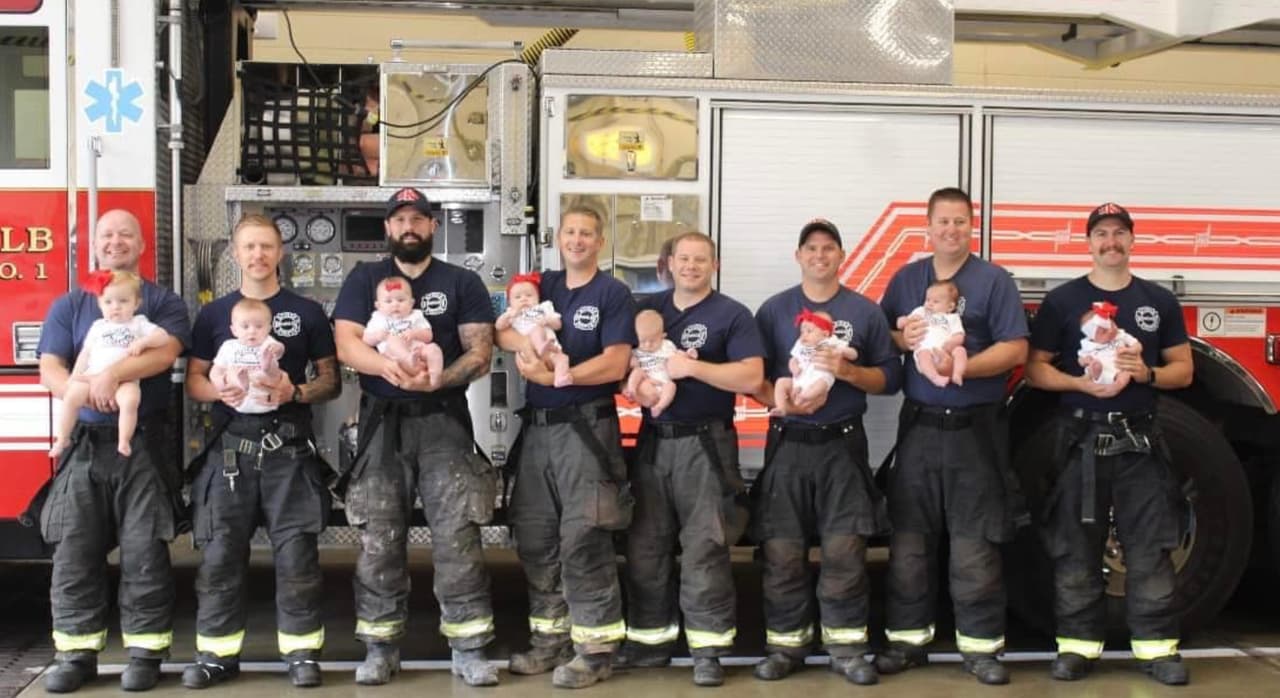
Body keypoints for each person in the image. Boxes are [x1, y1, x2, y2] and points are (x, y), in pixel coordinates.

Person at [332, 187, 499, 686]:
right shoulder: (364, 281)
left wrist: (438, 378)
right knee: (378, 538)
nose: (409, 226)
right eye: (400, 218)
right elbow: (345, 342)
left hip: (443, 420)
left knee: (458, 536)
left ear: (432, 226)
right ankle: (381, 648)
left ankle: (469, 648)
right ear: (388, 228)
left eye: (418, 219)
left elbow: (480, 352)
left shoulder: (460, 282)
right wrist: (387, 366)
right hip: (382, 422)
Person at [1024, 202, 1193, 686]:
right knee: (1076, 548)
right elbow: (1036, 370)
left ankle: (1158, 650)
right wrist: (1080, 385)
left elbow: (1184, 369)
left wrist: (1149, 372)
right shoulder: (1063, 301)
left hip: (1139, 439)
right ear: (1089, 242)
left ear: (1132, 241)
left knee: (1149, 548)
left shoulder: (1157, 301)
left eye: (1120, 233)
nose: (1111, 241)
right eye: (1102, 233)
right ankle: (1077, 649)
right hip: (1080, 439)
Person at [34, 209, 190, 693]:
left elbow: (164, 354)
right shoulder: (71, 305)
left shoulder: (162, 302)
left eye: (125, 234)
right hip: (83, 445)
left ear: (142, 244)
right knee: (75, 550)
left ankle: (144, 653)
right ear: (93, 244)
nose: (115, 241)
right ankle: (75, 653)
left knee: (145, 549)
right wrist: (83, 388)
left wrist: (112, 377)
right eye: (106, 234)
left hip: (142, 441)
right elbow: (49, 369)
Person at [878, 187, 1029, 685]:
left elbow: (1014, 350)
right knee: (910, 541)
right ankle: (907, 641)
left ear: (972, 226)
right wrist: (907, 339)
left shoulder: (994, 281)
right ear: (928, 226)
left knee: (974, 542)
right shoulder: (907, 280)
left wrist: (961, 369)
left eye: (960, 222)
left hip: (975, 430)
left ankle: (981, 648)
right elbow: (882, 337)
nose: (951, 230)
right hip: (920, 426)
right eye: (943, 222)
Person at [182, 214, 340, 688]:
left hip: (288, 451)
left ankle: (301, 654)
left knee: (297, 557)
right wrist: (218, 394)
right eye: (249, 247)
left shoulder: (306, 312)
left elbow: (330, 381)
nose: (258, 255)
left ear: (281, 253)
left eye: (267, 246)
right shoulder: (213, 315)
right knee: (219, 557)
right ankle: (215, 655)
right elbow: (193, 380)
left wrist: (295, 393)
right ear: (234, 254)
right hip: (230, 452)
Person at [751, 218, 901, 685]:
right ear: (799, 256)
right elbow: (755, 376)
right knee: (782, 552)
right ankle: (786, 646)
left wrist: (849, 373)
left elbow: (889, 379)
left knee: (844, 551)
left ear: (841, 256)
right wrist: (780, 400)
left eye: (828, 248)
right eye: (811, 248)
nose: (820, 255)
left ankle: (847, 647)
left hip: (842, 444)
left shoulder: (864, 312)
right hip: (789, 444)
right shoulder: (774, 311)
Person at [615, 232, 764, 686]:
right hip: (653, 441)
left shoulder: (732, 315)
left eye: (701, 259)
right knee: (645, 546)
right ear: (669, 264)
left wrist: (694, 368)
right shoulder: (647, 313)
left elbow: (752, 374)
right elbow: (619, 364)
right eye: (684, 258)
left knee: (705, 547)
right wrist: (631, 384)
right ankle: (649, 642)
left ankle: (707, 649)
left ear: (713, 266)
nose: (692, 266)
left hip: (706, 445)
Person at [497, 206, 636, 689]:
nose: (577, 240)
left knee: (585, 538)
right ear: (559, 238)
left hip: (586, 429)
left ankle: (595, 651)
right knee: (535, 538)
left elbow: (617, 361)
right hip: (538, 432)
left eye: (587, 234)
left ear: (600, 241)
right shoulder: (544, 284)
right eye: (570, 232)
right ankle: (549, 642)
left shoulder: (613, 293)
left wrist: (563, 376)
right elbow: (503, 326)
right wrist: (526, 351)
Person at [49, 270, 170, 458]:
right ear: (100, 304)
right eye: (108, 302)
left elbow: (162, 337)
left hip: (126, 380)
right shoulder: (98, 327)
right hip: (91, 377)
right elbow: (85, 354)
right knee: (71, 397)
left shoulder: (139, 323)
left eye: (123, 301)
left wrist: (144, 342)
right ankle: (62, 438)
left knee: (130, 401)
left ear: (136, 303)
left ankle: (124, 441)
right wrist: (74, 377)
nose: (116, 307)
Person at [771, 310, 858, 416]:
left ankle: (802, 397)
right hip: (799, 378)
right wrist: (793, 367)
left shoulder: (831, 342)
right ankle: (781, 408)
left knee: (820, 386)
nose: (804, 335)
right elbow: (793, 359)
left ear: (825, 334)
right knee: (781, 382)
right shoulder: (801, 344)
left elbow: (854, 355)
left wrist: (842, 351)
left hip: (819, 377)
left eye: (809, 331)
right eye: (802, 332)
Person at [208, 298, 286, 414]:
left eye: (259, 326)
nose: (252, 331)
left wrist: (278, 349)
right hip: (239, 398)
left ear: (269, 329)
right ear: (234, 330)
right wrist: (221, 383)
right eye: (245, 327)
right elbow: (216, 370)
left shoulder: (267, 342)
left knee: (275, 372)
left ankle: (266, 366)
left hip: (265, 392)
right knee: (230, 374)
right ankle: (242, 382)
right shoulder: (229, 346)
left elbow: (280, 351)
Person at [362, 275, 444, 385]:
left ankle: (435, 377)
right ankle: (410, 360)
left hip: (418, 350)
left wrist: (415, 334)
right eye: (388, 301)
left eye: (401, 300)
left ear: (411, 303)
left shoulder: (416, 315)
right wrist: (377, 336)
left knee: (434, 349)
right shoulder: (378, 318)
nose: (395, 304)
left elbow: (429, 336)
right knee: (393, 340)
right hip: (395, 357)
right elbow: (366, 340)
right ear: (378, 306)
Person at [496, 271, 570, 386]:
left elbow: (558, 324)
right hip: (528, 352)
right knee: (534, 332)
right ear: (510, 302)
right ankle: (543, 350)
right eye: (517, 297)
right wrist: (507, 316)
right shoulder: (513, 314)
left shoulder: (543, 308)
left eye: (529, 295)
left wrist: (547, 320)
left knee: (560, 358)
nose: (523, 299)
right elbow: (498, 327)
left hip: (550, 346)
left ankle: (561, 376)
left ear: (538, 297)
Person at [624, 309, 693, 418]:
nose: (647, 345)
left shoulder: (667, 346)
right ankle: (631, 390)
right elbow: (630, 365)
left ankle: (659, 406)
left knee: (671, 386)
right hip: (645, 379)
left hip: (663, 383)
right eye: (642, 341)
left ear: (663, 336)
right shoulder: (636, 351)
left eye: (652, 341)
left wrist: (688, 354)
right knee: (637, 371)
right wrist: (632, 362)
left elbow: (678, 355)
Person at [899, 279, 967, 388]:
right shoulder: (921, 312)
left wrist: (953, 342)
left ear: (950, 307)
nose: (929, 304)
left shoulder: (952, 318)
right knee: (923, 355)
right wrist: (902, 322)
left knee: (960, 351)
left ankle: (957, 373)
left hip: (946, 351)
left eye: (936, 302)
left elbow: (959, 335)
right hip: (925, 349)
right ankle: (934, 377)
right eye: (927, 300)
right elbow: (906, 321)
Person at [1076, 301, 1138, 386]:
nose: (1111, 331)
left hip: (1121, 365)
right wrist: (1084, 361)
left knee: (1126, 371)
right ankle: (1099, 374)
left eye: (1112, 325)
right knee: (1093, 369)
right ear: (1092, 337)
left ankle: (1119, 380)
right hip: (1101, 369)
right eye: (1104, 331)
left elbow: (1137, 344)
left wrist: (1131, 350)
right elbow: (1080, 359)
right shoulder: (1088, 345)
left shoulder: (1120, 335)